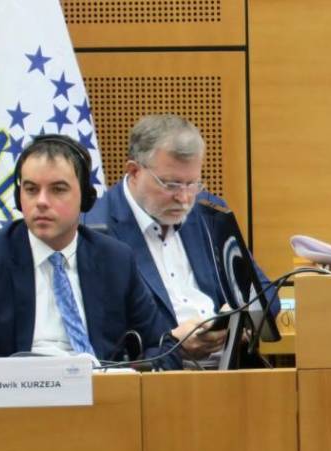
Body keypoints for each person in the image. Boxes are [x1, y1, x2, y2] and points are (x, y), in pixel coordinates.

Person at [0, 134, 179, 367]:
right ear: (19, 197)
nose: (42, 202)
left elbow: (163, 346)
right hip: (14, 394)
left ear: (86, 199)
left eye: (58, 189)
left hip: (100, 393)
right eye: (31, 189)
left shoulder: (115, 259)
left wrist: (130, 376)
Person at [85, 114, 277, 366]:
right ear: (133, 171)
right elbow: (104, 338)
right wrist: (171, 344)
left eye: (192, 184)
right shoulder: (95, 229)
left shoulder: (209, 213)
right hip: (154, 380)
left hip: (231, 370)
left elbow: (266, 294)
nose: (184, 198)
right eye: (172, 184)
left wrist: (238, 320)